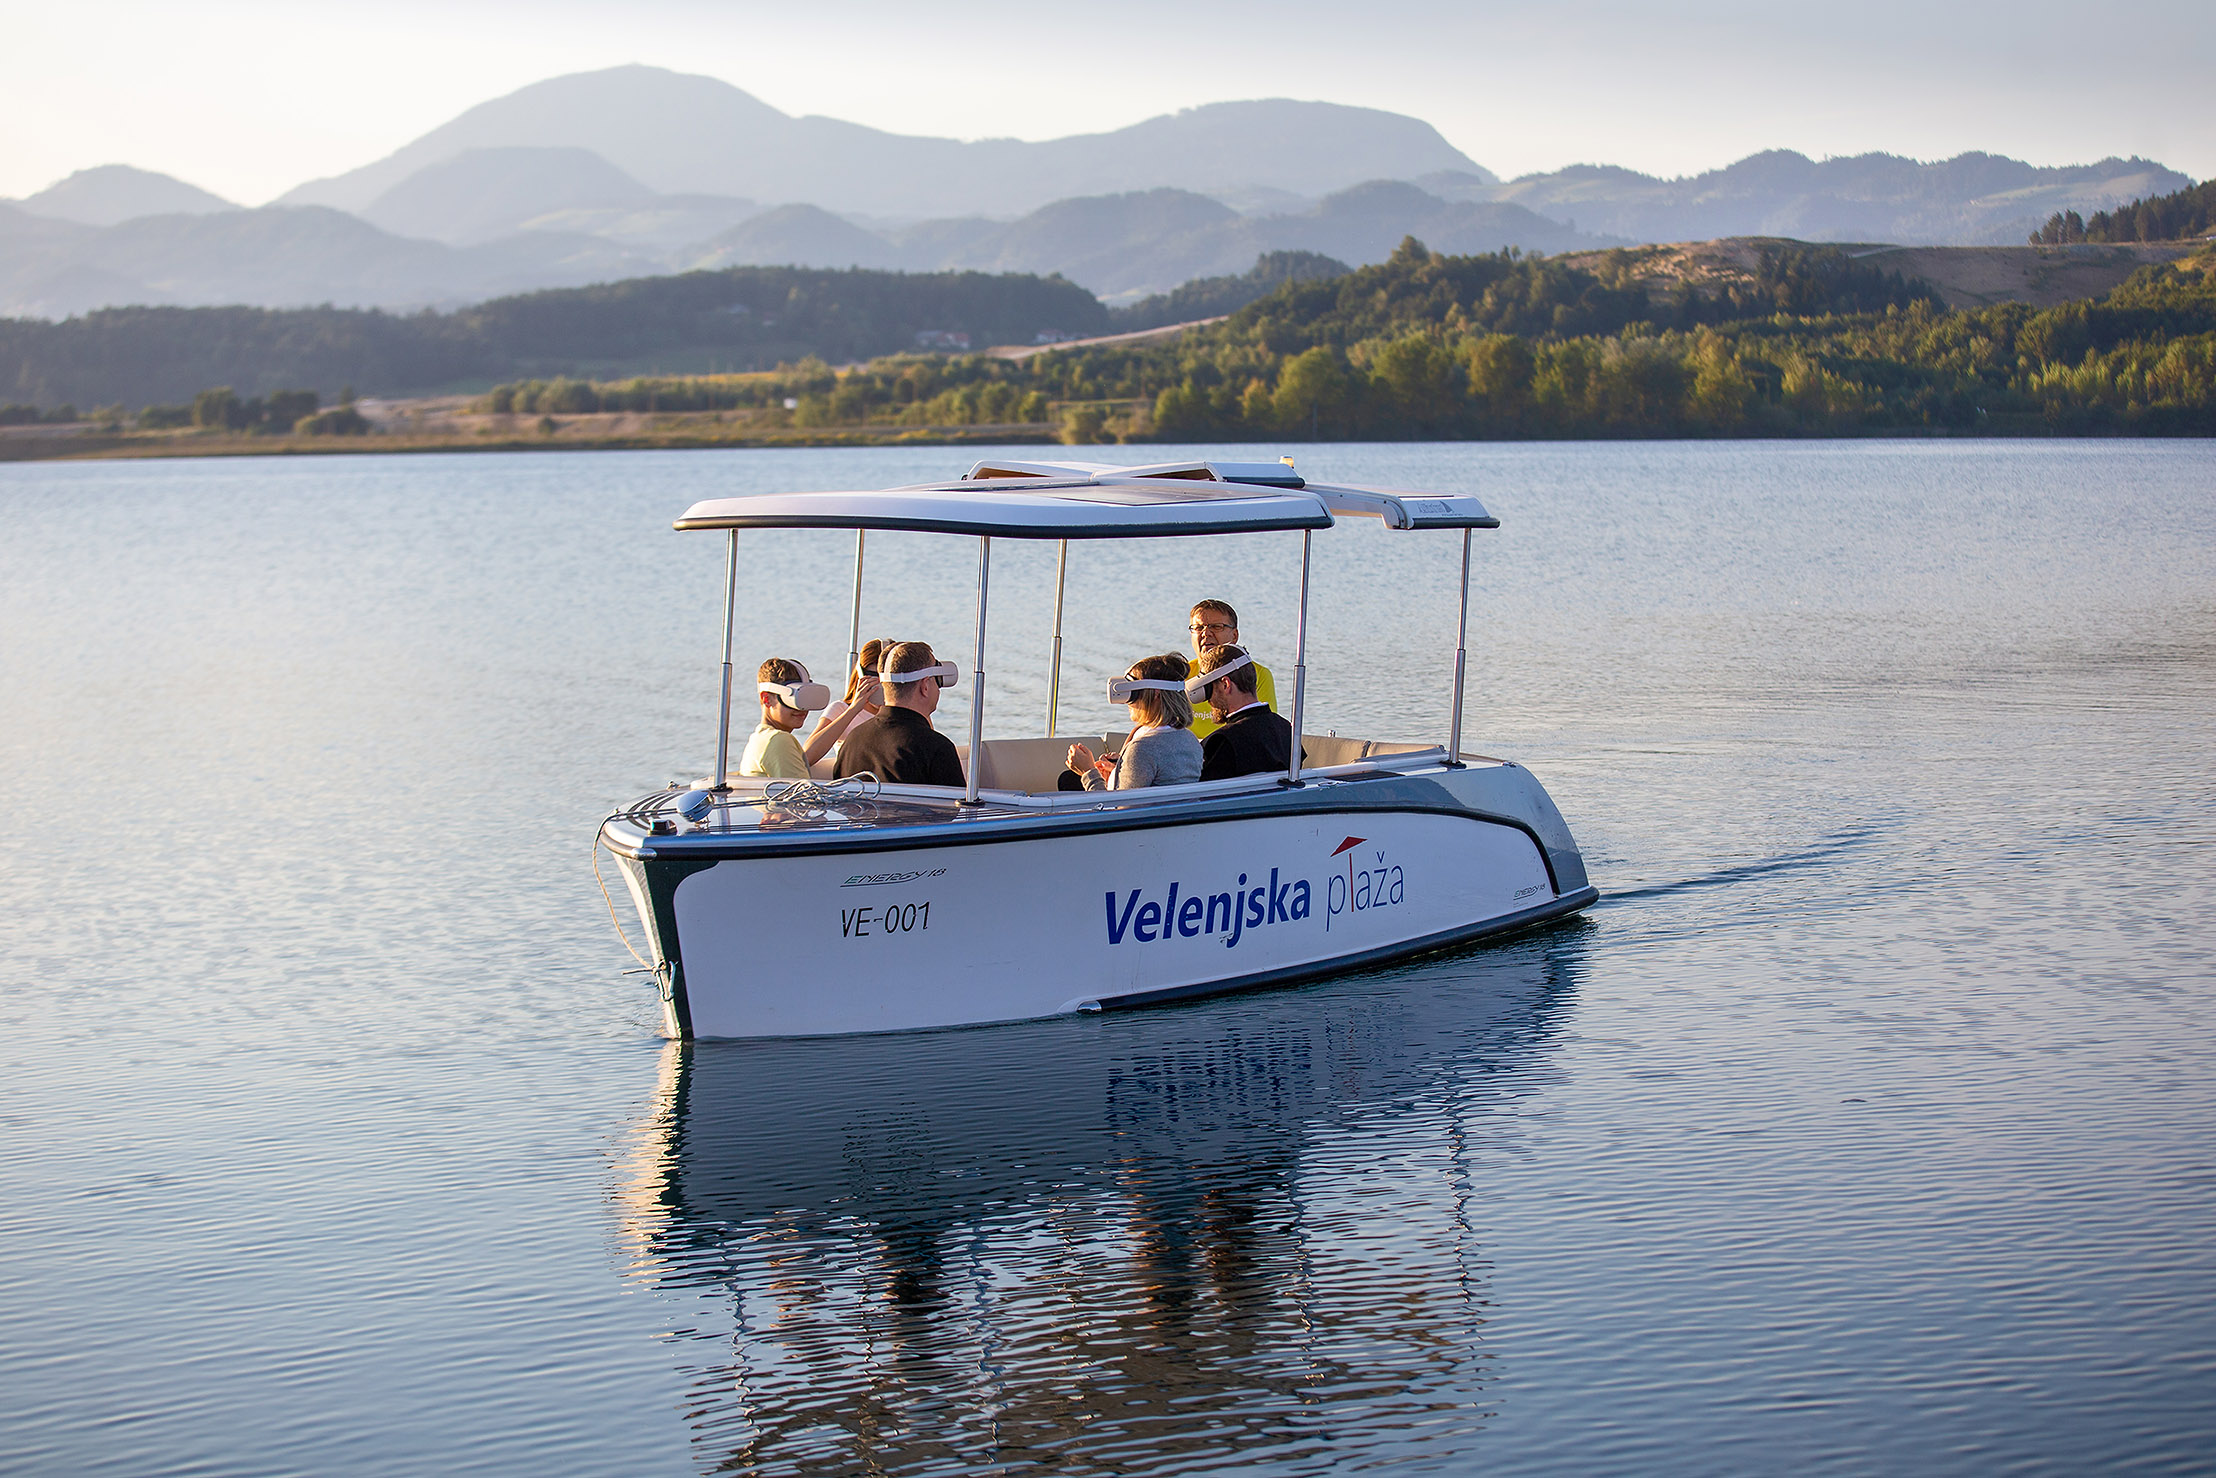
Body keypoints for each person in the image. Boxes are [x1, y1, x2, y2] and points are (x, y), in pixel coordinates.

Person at [833, 640, 966, 787]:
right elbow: (956, 808)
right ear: (925, 686)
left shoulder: (853, 741)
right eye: (938, 681)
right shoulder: (936, 748)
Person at [1064, 654, 1203, 791]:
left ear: (1155, 694)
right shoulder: (1189, 740)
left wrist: (1088, 772)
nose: (1127, 700)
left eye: (1133, 692)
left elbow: (1116, 811)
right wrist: (1117, 775)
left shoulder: (1143, 748)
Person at [1191, 643, 1300, 781]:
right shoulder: (1288, 732)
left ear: (1226, 684)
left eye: (1208, 690)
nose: (1209, 701)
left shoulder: (1221, 743)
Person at [1185, 600, 1276, 740]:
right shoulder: (1180, 675)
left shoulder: (1258, 674)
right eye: (1198, 627)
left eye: (1216, 627)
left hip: (1231, 747)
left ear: (1234, 636)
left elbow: (1265, 727)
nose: (1206, 633)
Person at [803, 638, 886, 770]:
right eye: (873, 677)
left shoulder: (905, 712)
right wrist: (853, 709)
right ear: (860, 675)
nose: (880, 686)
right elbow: (806, 757)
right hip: (855, 786)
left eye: (886, 679)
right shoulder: (841, 709)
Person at [739, 657, 823, 780]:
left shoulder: (760, 738)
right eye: (791, 698)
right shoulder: (778, 740)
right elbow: (802, 796)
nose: (801, 708)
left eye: (804, 697)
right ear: (766, 699)